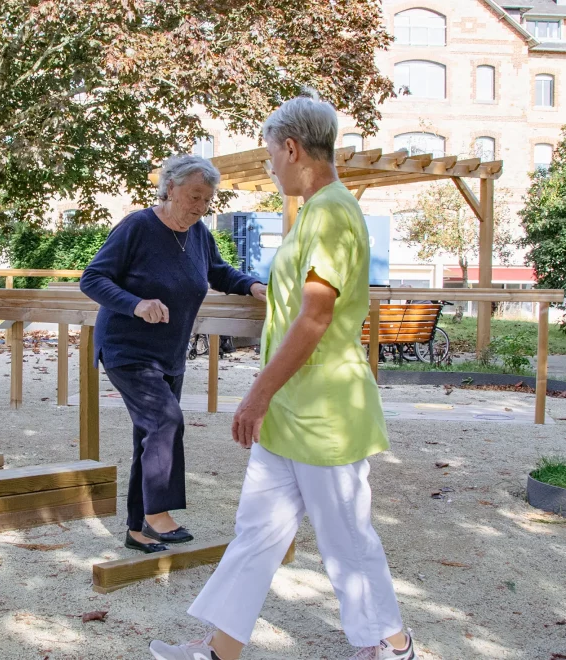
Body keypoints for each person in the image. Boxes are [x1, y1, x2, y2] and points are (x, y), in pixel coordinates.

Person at [150, 96, 416, 660]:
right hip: (290, 410)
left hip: (324, 412)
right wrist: (268, 398)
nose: (270, 167)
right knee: (257, 532)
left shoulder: (332, 213)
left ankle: (393, 646)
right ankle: (219, 650)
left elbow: (315, 316)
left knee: (346, 538)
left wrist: (256, 395)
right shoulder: (316, 212)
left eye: (271, 154)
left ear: (292, 149)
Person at [80, 155, 266, 554]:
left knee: (150, 437)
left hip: (170, 354)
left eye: (207, 200)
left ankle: (137, 530)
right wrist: (136, 304)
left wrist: (252, 285)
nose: (201, 207)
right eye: (195, 196)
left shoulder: (198, 234)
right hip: (127, 349)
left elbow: (218, 271)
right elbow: (92, 278)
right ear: (170, 188)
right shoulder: (137, 226)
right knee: (165, 421)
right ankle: (157, 514)